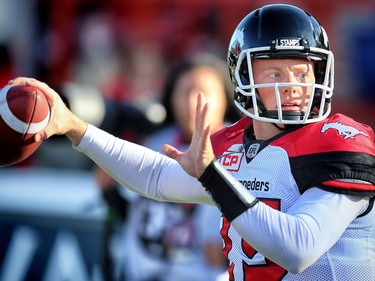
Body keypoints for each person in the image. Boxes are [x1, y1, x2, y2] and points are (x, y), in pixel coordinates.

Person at [9, 4, 375, 281]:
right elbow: (156, 178)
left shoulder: (343, 142)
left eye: (301, 71)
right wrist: (73, 126)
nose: (292, 85)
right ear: (243, 76)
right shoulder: (234, 144)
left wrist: (212, 177)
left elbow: (298, 249)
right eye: (275, 72)